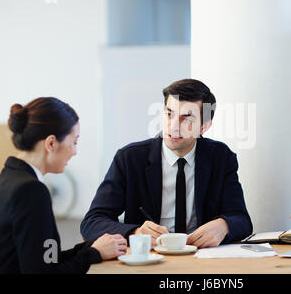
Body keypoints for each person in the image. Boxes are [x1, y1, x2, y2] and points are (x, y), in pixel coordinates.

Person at [81, 79, 252, 248]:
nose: (173, 126)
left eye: (186, 119)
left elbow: (242, 220)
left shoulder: (221, 158)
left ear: (204, 126)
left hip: (199, 257)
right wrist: (135, 233)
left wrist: (224, 225)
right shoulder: (130, 158)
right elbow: (92, 222)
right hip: (148, 258)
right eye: (169, 114)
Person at [0, 97, 127, 274]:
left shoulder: (10, 178)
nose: (74, 151)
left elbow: (44, 260)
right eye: (74, 142)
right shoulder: (30, 191)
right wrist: (93, 253)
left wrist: (91, 248)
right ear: (51, 143)